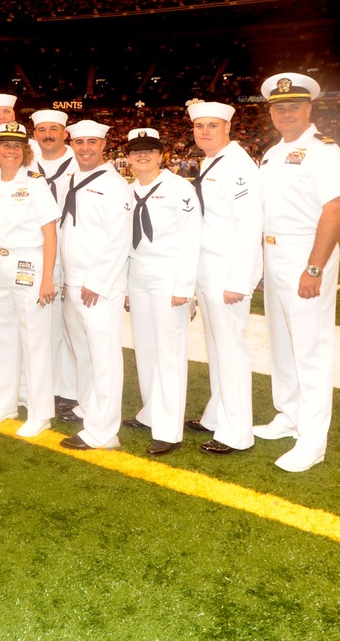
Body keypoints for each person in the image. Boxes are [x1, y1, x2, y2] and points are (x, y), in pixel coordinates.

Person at [253, 72, 340, 473]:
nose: (285, 112)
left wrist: (315, 266)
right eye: (279, 107)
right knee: (283, 342)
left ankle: (313, 440)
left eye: (293, 106)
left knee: (310, 348)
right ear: (271, 113)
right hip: (273, 253)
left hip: (306, 254)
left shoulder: (325, 152)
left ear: (309, 109)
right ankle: (289, 415)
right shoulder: (273, 152)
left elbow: (335, 208)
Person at [183, 101, 262, 455]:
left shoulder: (237, 166)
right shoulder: (212, 161)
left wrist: (238, 281)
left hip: (227, 273)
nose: (205, 132)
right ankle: (217, 416)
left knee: (230, 351)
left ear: (228, 128)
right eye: (200, 126)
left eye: (212, 126)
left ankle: (236, 433)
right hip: (209, 269)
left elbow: (248, 226)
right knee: (217, 349)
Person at [0, 122, 59, 437]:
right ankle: (5, 403)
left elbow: (50, 234)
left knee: (35, 340)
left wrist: (47, 277)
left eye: (17, 147)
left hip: (29, 263)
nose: (11, 151)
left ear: (25, 152)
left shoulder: (35, 184)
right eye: (5, 146)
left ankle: (40, 413)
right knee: (4, 336)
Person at [121, 127, 202, 456]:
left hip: (169, 275)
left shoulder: (178, 188)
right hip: (138, 274)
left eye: (150, 150)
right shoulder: (127, 191)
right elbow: (124, 242)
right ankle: (151, 412)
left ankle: (169, 429)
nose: (143, 155)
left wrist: (185, 286)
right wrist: (126, 284)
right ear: (127, 157)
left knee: (169, 352)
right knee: (146, 348)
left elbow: (192, 236)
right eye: (136, 150)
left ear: (161, 155)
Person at [56, 120, 133, 451]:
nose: (85, 147)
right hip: (75, 280)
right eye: (79, 141)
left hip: (97, 285)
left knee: (105, 357)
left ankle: (103, 431)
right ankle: (89, 407)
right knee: (84, 352)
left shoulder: (114, 186)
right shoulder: (76, 177)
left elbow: (119, 240)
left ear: (104, 145)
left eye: (92, 142)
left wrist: (97, 282)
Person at [29, 109, 79, 422]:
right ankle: (46, 387)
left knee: (73, 324)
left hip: (73, 252)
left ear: (65, 133)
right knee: (43, 324)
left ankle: (72, 390)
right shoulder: (24, 162)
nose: (47, 134)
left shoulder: (80, 163)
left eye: (54, 129)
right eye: (42, 129)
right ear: (35, 134)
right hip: (37, 251)